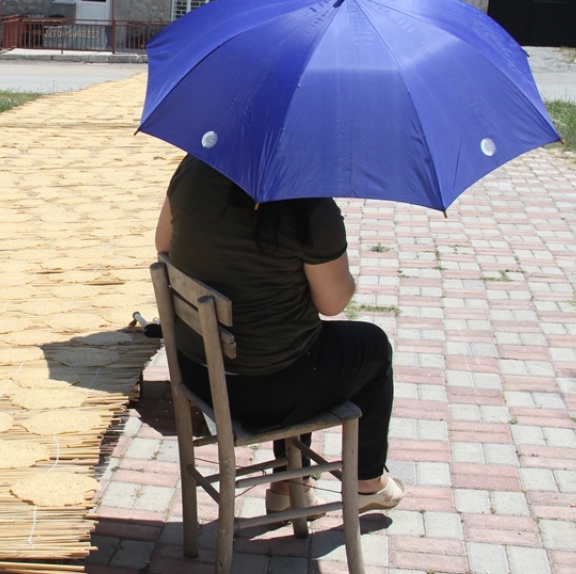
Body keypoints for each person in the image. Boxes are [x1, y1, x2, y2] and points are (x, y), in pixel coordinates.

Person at [154, 155, 405, 514]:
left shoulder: (196, 167)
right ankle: (367, 482)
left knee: (300, 343)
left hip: (195, 372)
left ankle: (290, 485)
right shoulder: (309, 205)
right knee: (371, 347)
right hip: (261, 390)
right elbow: (333, 303)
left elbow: (162, 245)